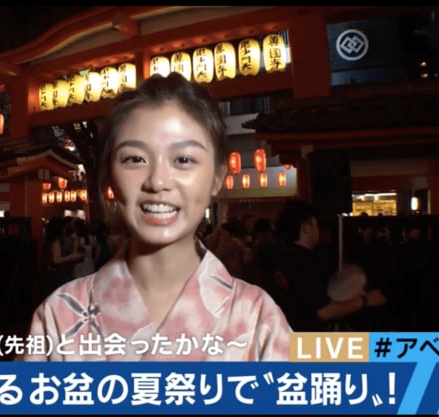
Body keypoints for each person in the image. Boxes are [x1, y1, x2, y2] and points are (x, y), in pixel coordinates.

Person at [23, 73, 291, 361]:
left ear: (217, 177)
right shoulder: (58, 316)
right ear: (110, 176)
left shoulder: (260, 318)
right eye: (135, 159)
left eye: (183, 159)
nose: (157, 181)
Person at [269, 199, 386, 332]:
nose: (319, 231)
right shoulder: (301, 261)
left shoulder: (277, 256)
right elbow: (324, 311)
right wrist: (366, 300)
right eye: (316, 225)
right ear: (306, 228)